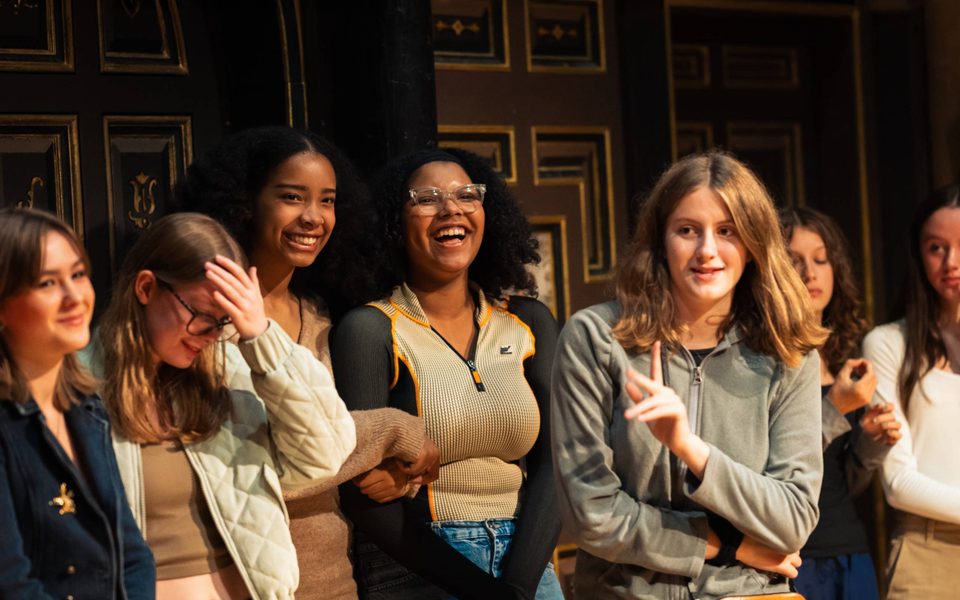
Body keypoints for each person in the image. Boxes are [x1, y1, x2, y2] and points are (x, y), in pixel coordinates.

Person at [178, 125, 440, 599]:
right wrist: (393, 431)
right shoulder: (204, 320)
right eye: (293, 197)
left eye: (328, 200)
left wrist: (396, 474)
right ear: (245, 201)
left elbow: (329, 450)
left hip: (335, 581)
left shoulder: (323, 316)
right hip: (243, 582)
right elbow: (250, 467)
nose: (313, 217)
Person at [551, 151, 827, 599]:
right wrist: (726, 546)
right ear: (660, 240)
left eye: (727, 231)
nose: (707, 251)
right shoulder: (597, 337)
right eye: (687, 230)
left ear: (755, 242)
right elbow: (591, 515)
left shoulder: (787, 350)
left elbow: (792, 520)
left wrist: (690, 449)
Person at [332, 147, 563, 600]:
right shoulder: (370, 329)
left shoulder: (529, 321)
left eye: (465, 195)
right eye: (427, 198)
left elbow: (559, 462)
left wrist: (515, 586)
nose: (450, 208)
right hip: (419, 567)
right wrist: (483, 592)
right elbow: (362, 494)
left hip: (527, 564)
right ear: (394, 222)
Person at [91, 212, 356, 600]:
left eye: (224, 320)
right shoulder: (80, 387)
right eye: (201, 315)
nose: (213, 335)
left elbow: (324, 454)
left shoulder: (230, 369)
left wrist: (261, 335)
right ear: (146, 288)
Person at [0, 207, 155, 599]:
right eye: (47, 283)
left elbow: (133, 554)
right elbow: (12, 585)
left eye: (78, 274)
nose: (74, 297)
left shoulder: (87, 407)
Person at [781, 207, 901, 599]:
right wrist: (834, 408)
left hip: (849, 549)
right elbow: (772, 472)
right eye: (794, 261)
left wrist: (869, 442)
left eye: (821, 259)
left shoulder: (843, 354)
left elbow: (843, 481)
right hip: (792, 558)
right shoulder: (763, 358)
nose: (811, 273)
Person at [863, 185, 960, 598]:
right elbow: (898, 480)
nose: (951, 262)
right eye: (937, 247)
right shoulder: (888, 344)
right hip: (928, 550)